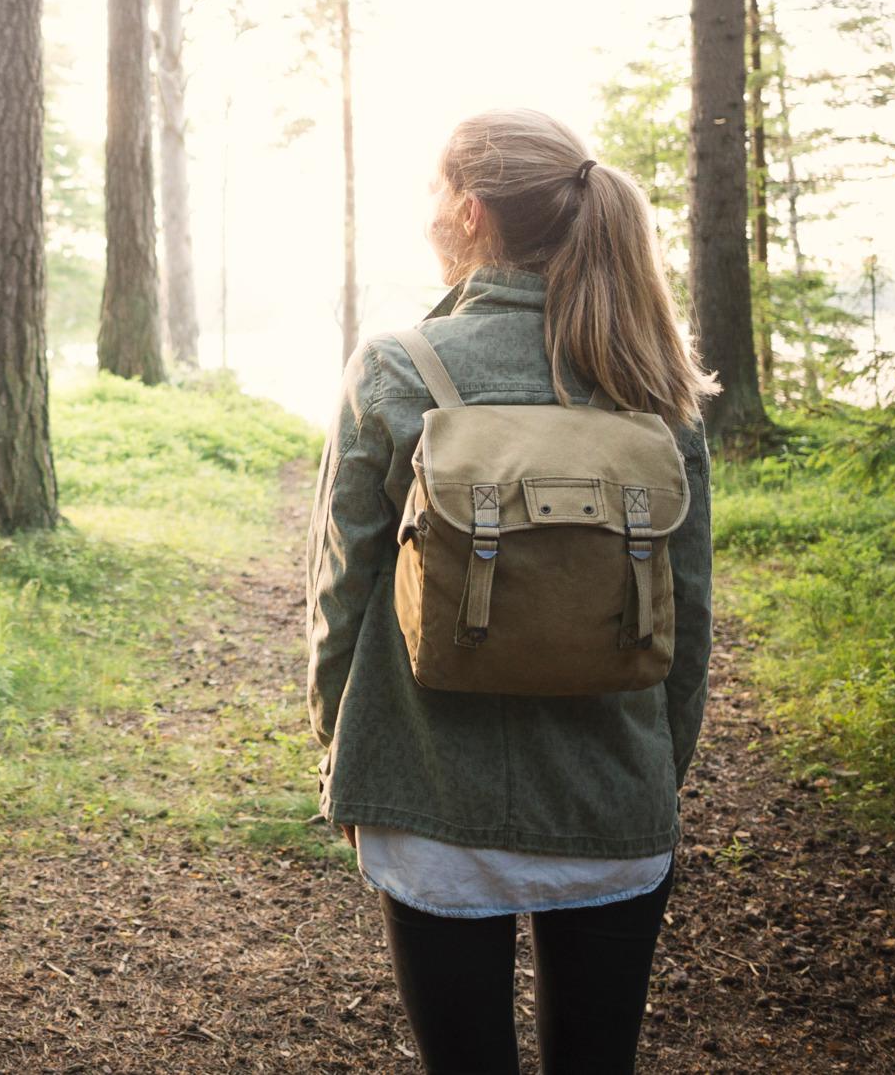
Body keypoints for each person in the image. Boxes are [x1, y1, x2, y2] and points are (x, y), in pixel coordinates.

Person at [305, 107, 717, 1075]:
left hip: (428, 798)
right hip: (612, 800)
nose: (427, 206)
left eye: (435, 187)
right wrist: (654, 772)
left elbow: (341, 591)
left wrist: (342, 754)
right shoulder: (649, 378)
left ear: (471, 211)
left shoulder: (394, 368)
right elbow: (688, 612)